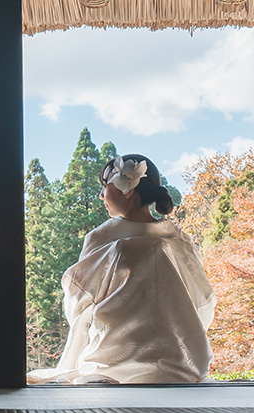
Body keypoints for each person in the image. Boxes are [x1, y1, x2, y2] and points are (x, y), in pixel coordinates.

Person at [29, 155, 216, 384]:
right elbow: (201, 298)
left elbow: (79, 298)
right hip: (178, 354)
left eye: (105, 188)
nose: (101, 196)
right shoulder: (175, 238)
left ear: (127, 189)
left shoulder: (102, 237)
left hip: (112, 354)